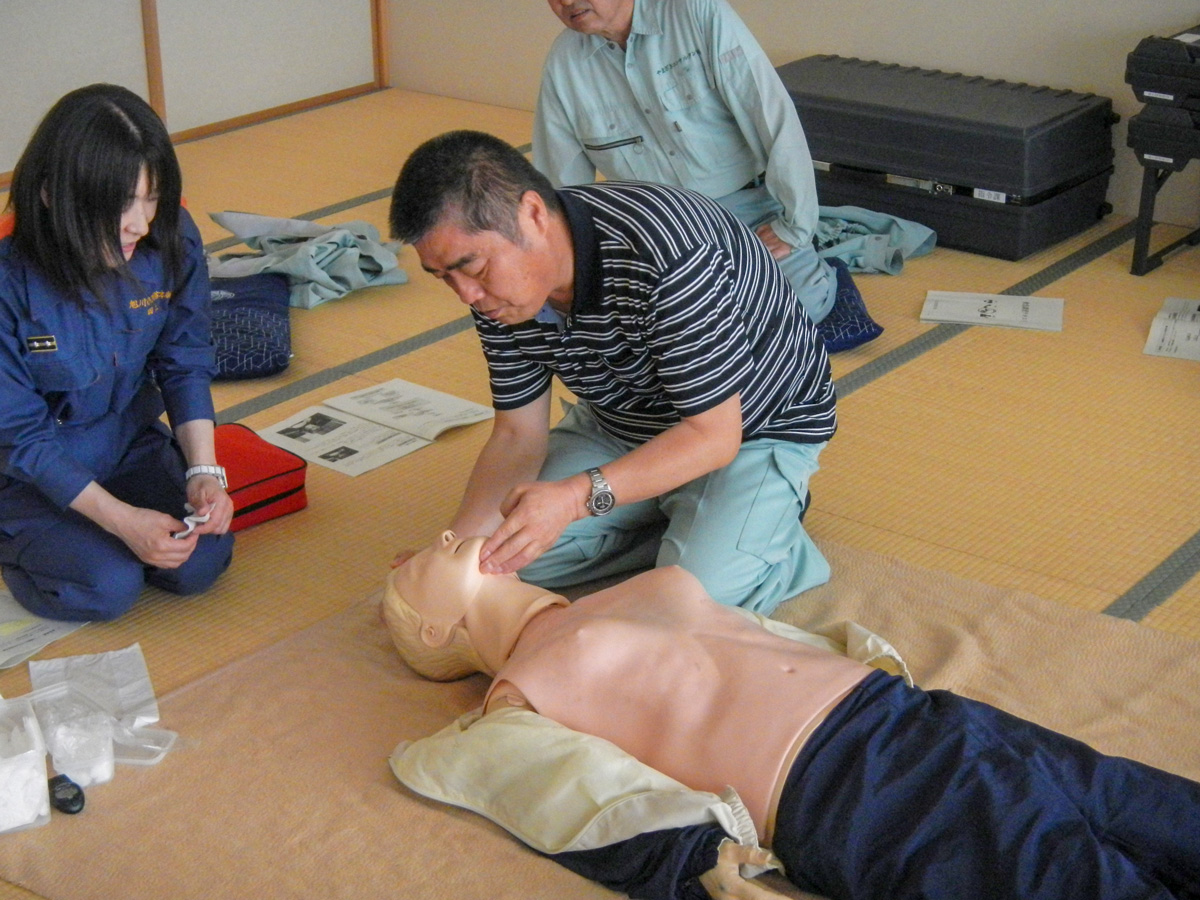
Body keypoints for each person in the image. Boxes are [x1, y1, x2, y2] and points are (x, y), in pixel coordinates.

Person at [384, 531, 1200, 900]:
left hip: (910, 714)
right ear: (432, 632)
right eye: (420, 562)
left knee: (1150, 806)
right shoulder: (513, 705)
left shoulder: (619, 588)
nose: (444, 534)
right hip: (849, 794)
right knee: (1068, 877)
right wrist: (707, 871)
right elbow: (591, 807)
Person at [389, 129, 835, 615]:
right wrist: (455, 554)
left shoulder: (667, 251)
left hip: (752, 431)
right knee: (503, 561)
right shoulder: (495, 295)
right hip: (621, 424)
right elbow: (517, 434)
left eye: (472, 268)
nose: (467, 295)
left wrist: (574, 499)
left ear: (532, 215)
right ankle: (683, 521)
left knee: (692, 602)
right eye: (445, 278)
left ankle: (768, 544)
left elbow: (714, 436)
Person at [0, 84, 235, 621]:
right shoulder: (7, 278)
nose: (140, 223)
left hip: (126, 441)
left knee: (201, 558)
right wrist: (122, 521)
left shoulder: (169, 236)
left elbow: (184, 356)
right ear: (52, 195)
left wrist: (204, 470)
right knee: (107, 585)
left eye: (152, 198)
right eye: (121, 203)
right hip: (24, 472)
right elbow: (20, 435)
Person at [533, 0, 883, 353]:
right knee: (632, 330)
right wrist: (564, 271)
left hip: (745, 212)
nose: (566, 2)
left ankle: (816, 271)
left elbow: (773, 118)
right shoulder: (564, 62)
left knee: (799, 309)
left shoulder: (697, 12)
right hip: (654, 228)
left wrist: (795, 226)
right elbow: (559, 184)